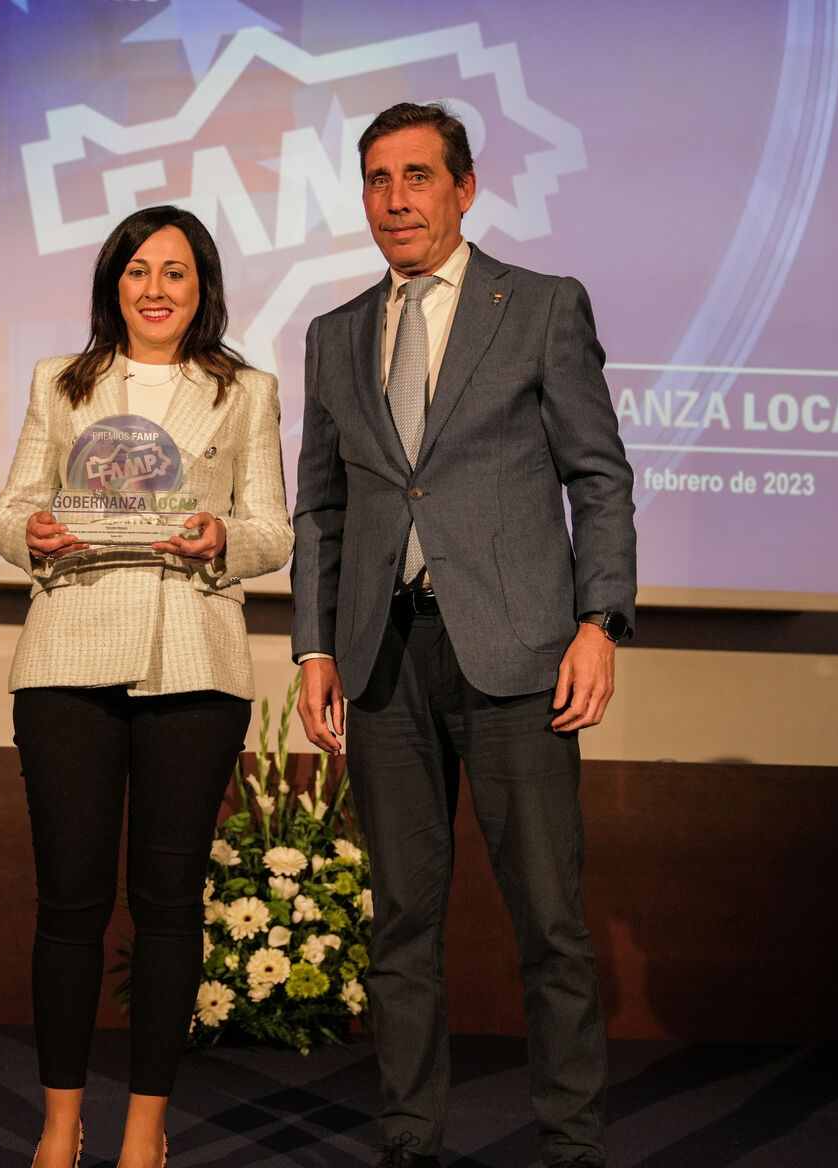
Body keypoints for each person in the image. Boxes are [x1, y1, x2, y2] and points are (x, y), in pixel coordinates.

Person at [290, 102, 636, 1168]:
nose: (395, 199)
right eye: (377, 179)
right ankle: (409, 1141)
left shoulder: (539, 305)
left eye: (417, 176)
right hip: (382, 661)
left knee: (551, 923)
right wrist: (314, 647)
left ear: (465, 188)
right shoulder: (336, 333)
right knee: (400, 923)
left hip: (519, 658)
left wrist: (598, 623)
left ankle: (572, 1146)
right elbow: (322, 510)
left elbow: (598, 477)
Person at [0, 204, 293, 1168]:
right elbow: (9, 509)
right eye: (137, 271)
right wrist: (31, 533)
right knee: (70, 904)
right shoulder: (61, 381)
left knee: (168, 903)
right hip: (68, 655)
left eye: (175, 272)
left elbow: (274, 531)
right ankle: (59, 1126)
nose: (155, 289)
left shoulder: (245, 390)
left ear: (202, 289)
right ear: (112, 284)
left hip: (191, 661)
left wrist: (223, 537)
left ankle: (146, 1132)